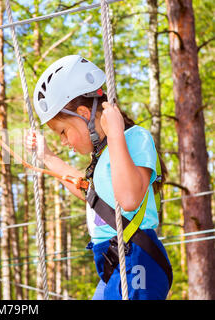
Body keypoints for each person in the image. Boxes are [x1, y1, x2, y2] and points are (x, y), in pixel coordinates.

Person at [25, 55, 173, 300]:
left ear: (83, 114)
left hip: (138, 259)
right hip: (115, 261)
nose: (63, 141)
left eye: (63, 132)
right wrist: (48, 157)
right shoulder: (103, 156)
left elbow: (128, 199)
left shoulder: (133, 138)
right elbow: (90, 194)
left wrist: (115, 135)